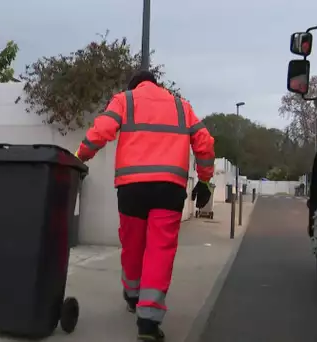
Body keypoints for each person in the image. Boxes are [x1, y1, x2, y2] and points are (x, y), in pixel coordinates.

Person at [75, 70, 215, 341]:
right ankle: (148, 322)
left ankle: (132, 295)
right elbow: (205, 143)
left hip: (132, 188)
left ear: (134, 86)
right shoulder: (181, 106)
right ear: (156, 84)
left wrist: (81, 155)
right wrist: (206, 180)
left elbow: (101, 130)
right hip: (170, 188)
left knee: (133, 244)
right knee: (160, 249)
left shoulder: (124, 100)